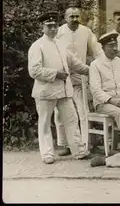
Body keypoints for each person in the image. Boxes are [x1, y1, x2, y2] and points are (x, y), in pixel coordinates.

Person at [28, 12, 91, 164]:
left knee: (71, 119)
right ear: (42, 27)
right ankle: (48, 154)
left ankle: (78, 151)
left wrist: (92, 69)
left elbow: (75, 63)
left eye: (55, 26)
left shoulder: (61, 44)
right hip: (45, 92)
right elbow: (34, 71)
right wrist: (55, 73)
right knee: (44, 123)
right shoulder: (37, 46)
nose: (52, 29)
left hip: (64, 91)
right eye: (49, 26)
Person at [54, 6, 103, 156]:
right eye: (71, 17)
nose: (75, 19)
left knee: (82, 111)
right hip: (63, 78)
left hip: (79, 78)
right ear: (65, 18)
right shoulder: (59, 32)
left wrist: (102, 64)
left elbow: (97, 49)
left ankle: (85, 143)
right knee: (59, 113)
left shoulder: (86, 31)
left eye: (77, 16)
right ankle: (65, 144)